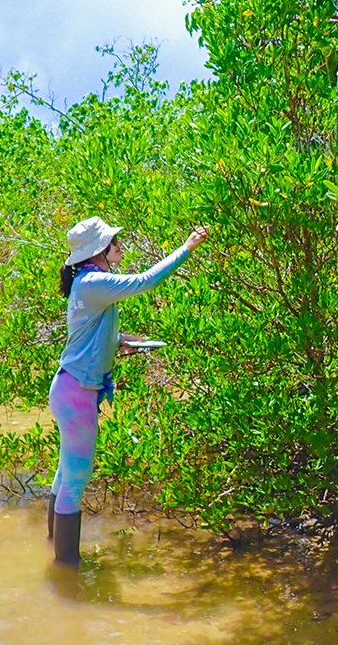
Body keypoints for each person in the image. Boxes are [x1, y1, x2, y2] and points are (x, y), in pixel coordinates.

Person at [47, 216, 208, 567]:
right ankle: (66, 569)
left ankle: (53, 548)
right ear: (98, 252)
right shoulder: (93, 282)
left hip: (69, 388)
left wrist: (119, 341)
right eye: (114, 242)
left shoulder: (87, 282)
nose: (120, 246)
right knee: (76, 482)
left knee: (66, 475)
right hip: (77, 394)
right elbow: (145, 281)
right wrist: (187, 248)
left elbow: (85, 335)